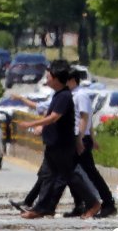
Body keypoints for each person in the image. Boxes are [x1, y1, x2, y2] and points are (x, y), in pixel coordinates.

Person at [18, 62, 101, 219]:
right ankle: (42, 208)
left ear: (56, 79)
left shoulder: (64, 96)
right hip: (53, 143)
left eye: (49, 77)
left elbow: (54, 117)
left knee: (71, 176)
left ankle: (93, 203)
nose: (46, 79)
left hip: (62, 144)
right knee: (48, 176)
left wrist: (31, 124)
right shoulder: (58, 95)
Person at [65, 69, 116, 218]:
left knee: (89, 173)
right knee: (72, 172)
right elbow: (89, 121)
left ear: (73, 80)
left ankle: (108, 203)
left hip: (80, 138)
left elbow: (85, 118)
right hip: (80, 137)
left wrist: (82, 139)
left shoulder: (80, 95)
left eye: (65, 81)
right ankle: (81, 204)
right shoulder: (73, 95)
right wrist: (92, 139)